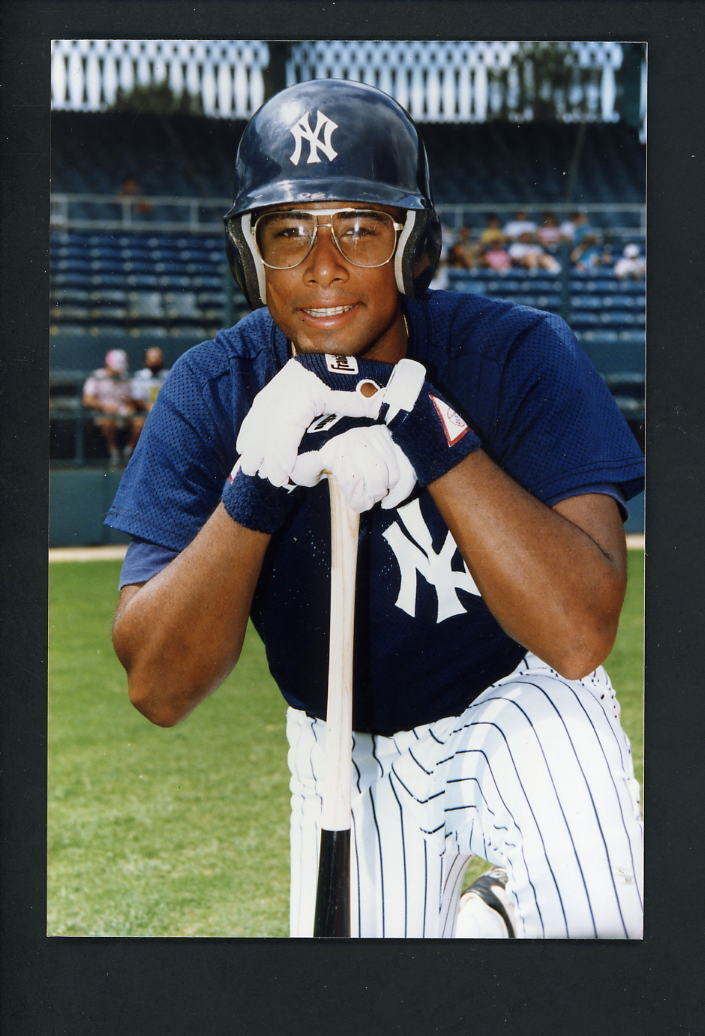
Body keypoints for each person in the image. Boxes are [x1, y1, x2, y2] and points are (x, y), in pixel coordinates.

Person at [106, 79, 644, 940]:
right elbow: (159, 689)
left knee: (596, 943)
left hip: (515, 699)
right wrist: (255, 484)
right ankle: (486, 927)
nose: (322, 266)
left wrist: (435, 436)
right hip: (342, 739)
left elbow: (577, 636)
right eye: (287, 234)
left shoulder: (515, 351)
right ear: (251, 259)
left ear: (414, 246)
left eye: (358, 228)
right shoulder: (212, 390)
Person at [82, 348, 140, 465]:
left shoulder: (125, 377)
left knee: (139, 422)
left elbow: (131, 400)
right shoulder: (97, 375)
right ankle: (113, 452)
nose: (118, 371)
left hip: (122, 414)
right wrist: (105, 407)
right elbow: (87, 400)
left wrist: (130, 407)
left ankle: (128, 451)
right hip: (102, 414)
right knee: (107, 421)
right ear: (108, 364)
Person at [130, 346, 171, 446]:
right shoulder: (140, 376)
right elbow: (136, 398)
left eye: (158, 358)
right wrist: (148, 406)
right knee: (140, 424)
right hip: (143, 412)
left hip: (165, 412)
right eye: (152, 358)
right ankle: (130, 450)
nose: (155, 361)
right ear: (146, 360)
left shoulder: (169, 375)